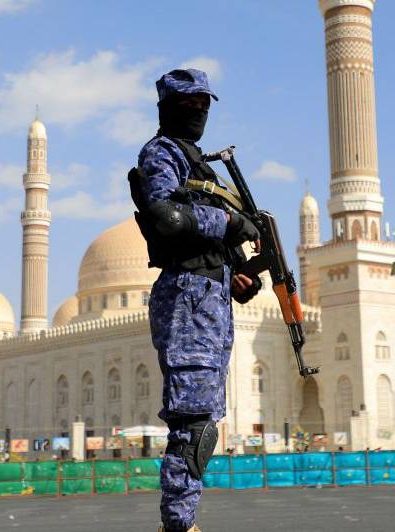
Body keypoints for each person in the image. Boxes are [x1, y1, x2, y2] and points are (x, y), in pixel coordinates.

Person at [130, 68, 262, 532]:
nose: (200, 113)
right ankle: (179, 525)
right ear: (167, 108)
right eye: (191, 105)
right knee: (193, 426)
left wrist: (239, 274)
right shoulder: (161, 154)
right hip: (187, 299)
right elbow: (166, 216)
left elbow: (203, 233)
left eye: (206, 105)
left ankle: (184, 521)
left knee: (204, 421)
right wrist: (227, 224)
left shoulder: (200, 164)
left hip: (209, 298)